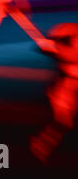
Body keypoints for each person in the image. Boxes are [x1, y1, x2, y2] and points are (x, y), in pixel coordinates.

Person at [30, 23, 78, 163]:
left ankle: (41, 145)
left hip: (69, 86)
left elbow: (44, 48)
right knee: (63, 122)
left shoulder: (64, 51)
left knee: (64, 122)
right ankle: (40, 145)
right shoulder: (65, 53)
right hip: (64, 87)